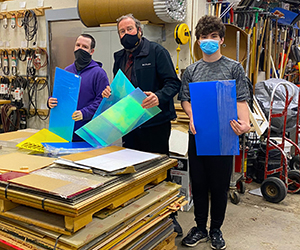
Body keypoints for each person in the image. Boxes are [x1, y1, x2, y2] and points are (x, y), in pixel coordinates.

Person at [102, 13, 182, 234]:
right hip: (130, 124)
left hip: (155, 124)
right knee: (134, 172)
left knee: (159, 171)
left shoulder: (156, 52)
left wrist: (158, 96)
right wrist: (110, 91)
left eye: (129, 29)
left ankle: (169, 216)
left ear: (139, 30)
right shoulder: (119, 57)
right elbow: (119, 88)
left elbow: (173, 83)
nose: (126, 34)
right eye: (121, 31)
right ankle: (139, 215)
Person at [178, 15, 251, 250]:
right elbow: (185, 100)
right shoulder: (191, 71)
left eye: (213, 37)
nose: (208, 41)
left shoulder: (233, 68)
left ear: (221, 40)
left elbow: (241, 99)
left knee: (219, 186)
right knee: (198, 184)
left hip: (225, 135)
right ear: (197, 41)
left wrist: (245, 123)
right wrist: (192, 116)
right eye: (203, 37)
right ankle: (199, 227)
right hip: (199, 134)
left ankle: (216, 229)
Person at [48, 34, 109, 141]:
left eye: (85, 47)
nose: (80, 49)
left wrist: (84, 113)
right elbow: (60, 96)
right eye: (78, 45)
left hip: (88, 132)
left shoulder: (99, 73)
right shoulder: (67, 71)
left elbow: (103, 102)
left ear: (92, 51)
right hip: (66, 130)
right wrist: (50, 102)